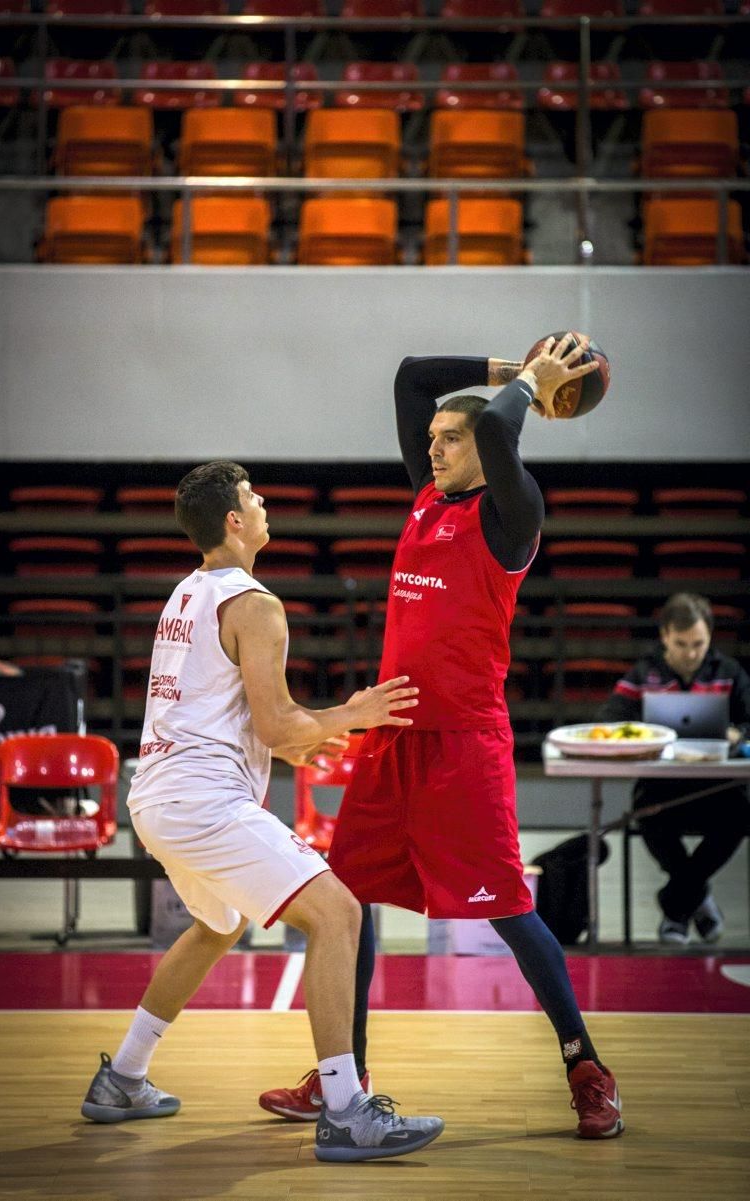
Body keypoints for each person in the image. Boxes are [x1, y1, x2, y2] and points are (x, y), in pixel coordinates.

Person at [260, 334, 625, 1140]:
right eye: (429, 441)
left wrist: (533, 385)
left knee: (510, 912)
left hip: (464, 746)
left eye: (447, 439)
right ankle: (341, 1081)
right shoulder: (427, 497)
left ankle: (585, 1067)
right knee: (344, 902)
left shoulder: (511, 513)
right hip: (394, 740)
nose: (432, 447)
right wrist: (513, 367)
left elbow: (498, 431)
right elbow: (411, 376)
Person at [81, 461, 444, 1163]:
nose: (265, 501)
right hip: (201, 799)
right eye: (253, 496)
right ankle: (345, 1109)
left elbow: (226, 714)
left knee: (216, 926)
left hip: (155, 794)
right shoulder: (257, 604)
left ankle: (122, 1075)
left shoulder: (185, 593)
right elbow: (275, 724)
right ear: (234, 522)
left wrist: (295, 743)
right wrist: (358, 713)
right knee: (338, 912)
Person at [599, 591, 750, 945]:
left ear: (710, 636)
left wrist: (736, 734)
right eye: (681, 643)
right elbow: (609, 720)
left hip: (719, 789)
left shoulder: (730, 673)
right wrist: (643, 735)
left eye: (699, 643)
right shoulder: (642, 675)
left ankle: (676, 906)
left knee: (742, 816)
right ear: (665, 635)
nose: (691, 653)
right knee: (648, 817)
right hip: (661, 791)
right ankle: (695, 900)